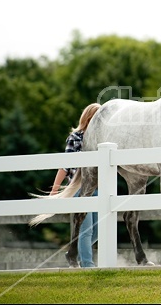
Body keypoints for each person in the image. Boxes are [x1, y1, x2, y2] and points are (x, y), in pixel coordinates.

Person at [49, 102, 101, 268]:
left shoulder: (102, 139)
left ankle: (73, 252)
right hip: (79, 189)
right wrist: (55, 189)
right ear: (88, 118)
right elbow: (65, 166)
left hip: (97, 189)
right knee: (87, 230)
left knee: (99, 229)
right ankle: (87, 264)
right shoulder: (76, 137)